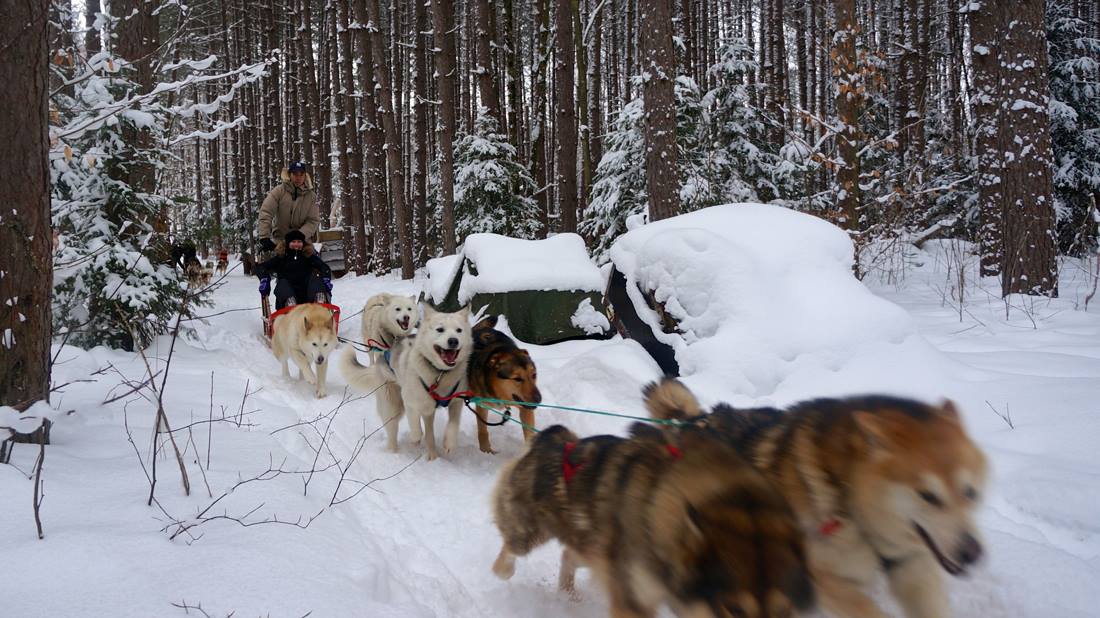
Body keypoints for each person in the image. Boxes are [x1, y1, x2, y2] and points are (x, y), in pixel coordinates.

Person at [255, 230, 333, 310]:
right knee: (282, 283)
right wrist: (264, 279)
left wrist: (326, 279)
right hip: (287, 297)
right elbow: (261, 268)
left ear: (303, 243)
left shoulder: (308, 257)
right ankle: (290, 306)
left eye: (299, 241)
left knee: (316, 279)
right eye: (293, 241)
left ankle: (319, 302)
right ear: (288, 243)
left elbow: (324, 267)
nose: (296, 244)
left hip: (308, 297)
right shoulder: (281, 258)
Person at [257, 160, 321, 253]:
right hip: (280, 242)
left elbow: (313, 220)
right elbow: (266, 212)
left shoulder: (311, 196)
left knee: (316, 265)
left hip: (303, 243)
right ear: (289, 175)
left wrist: (298, 236)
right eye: (295, 174)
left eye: (301, 174)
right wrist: (264, 237)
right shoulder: (279, 191)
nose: (298, 177)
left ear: (305, 176)